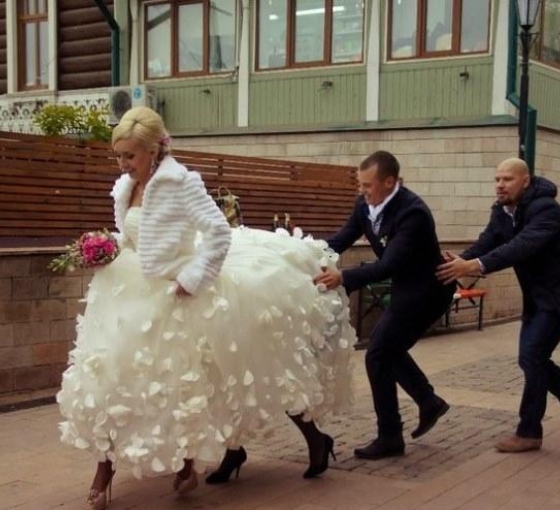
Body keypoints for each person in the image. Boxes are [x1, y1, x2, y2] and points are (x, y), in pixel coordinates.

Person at [57, 107, 354, 509]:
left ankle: (298, 443)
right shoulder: (126, 186)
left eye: (129, 155)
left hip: (179, 296)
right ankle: (107, 469)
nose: (122, 164)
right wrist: (106, 248)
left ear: (152, 150)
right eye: (119, 156)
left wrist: (192, 278)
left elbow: (217, 233)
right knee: (114, 380)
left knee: (219, 381)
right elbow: (135, 236)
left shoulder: (181, 183)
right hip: (129, 295)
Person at [435, 158, 560, 452]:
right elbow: (487, 242)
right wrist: (458, 262)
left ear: (525, 181)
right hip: (538, 299)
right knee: (532, 358)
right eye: (497, 179)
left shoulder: (547, 210)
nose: (500, 185)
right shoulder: (502, 211)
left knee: (532, 355)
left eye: (508, 179)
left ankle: (530, 432)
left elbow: (520, 247)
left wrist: (475, 265)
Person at [314, 150, 453, 460]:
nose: (362, 191)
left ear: (389, 182)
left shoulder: (412, 213)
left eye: (368, 185)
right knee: (386, 349)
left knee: (378, 353)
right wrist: (306, 252)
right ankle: (428, 402)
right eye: (360, 184)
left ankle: (391, 436)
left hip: (429, 291)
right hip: (407, 288)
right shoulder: (365, 205)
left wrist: (343, 278)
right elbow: (342, 238)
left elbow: (388, 264)